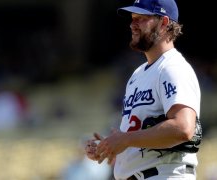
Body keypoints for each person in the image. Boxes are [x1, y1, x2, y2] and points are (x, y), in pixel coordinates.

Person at [85, 0, 202, 179]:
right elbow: (141, 137)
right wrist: (110, 146)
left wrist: (125, 140)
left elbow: (183, 127)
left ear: (163, 23)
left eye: (141, 18)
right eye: (133, 18)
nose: (132, 24)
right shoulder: (138, 74)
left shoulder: (172, 67)